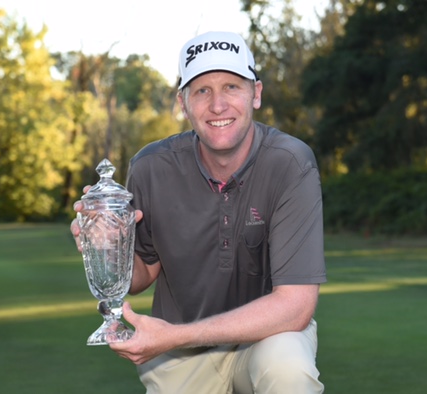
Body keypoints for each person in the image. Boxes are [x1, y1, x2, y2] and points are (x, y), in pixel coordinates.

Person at [71, 30, 327, 393]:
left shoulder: (289, 162)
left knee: (289, 370)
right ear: (182, 102)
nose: (218, 105)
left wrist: (176, 335)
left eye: (231, 87)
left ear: (255, 94)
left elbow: (295, 306)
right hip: (180, 356)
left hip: (265, 335)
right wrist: (108, 249)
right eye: (202, 90)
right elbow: (141, 276)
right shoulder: (150, 167)